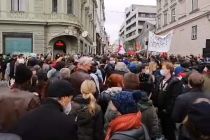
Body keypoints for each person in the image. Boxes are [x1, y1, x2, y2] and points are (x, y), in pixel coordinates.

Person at [11, 80, 78, 140]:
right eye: (70, 99)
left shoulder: (27, 116)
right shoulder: (68, 123)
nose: (70, 102)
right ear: (64, 98)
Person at [0, 64, 40, 132]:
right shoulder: (32, 98)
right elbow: (36, 122)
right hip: (23, 134)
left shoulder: (1, 95)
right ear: (28, 82)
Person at [172, 72, 210, 140]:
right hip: (205, 133)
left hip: (188, 134)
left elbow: (176, 118)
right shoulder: (208, 97)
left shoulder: (182, 98)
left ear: (189, 84)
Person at [157, 62, 183, 140]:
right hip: (160, 109)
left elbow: (174, 98)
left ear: (168, 70)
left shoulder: (175, 82)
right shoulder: (161, 79)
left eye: (163, 68)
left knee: (169, 131)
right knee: (163, 129)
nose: (161, 70)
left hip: (168, 112)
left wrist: (167, 109)